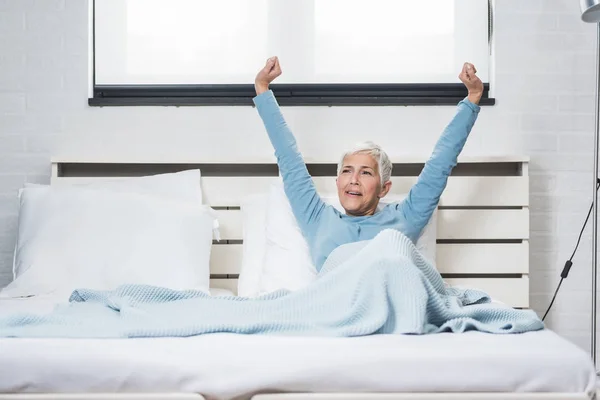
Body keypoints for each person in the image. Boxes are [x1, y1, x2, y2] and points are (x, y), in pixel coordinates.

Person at [253, 56, 483, 273]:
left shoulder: (405, 217)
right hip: (336, 304)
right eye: (347, 171)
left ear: (384, 188)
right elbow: (288, 157)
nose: (353, 179)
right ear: (337, 182)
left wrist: (472, 97)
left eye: (365, 172)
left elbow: (440, 163)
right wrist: (262, 88)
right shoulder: (317, 218)